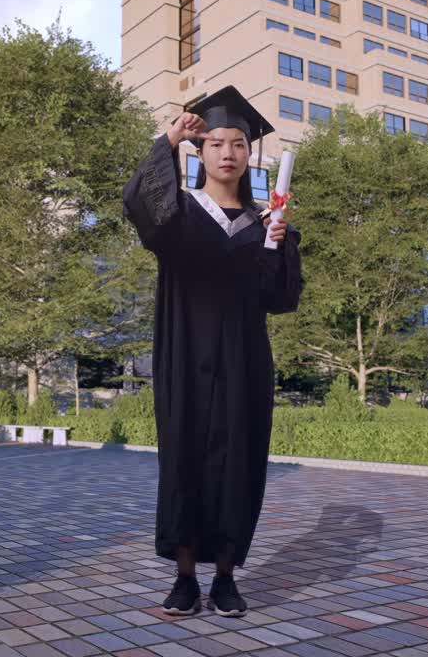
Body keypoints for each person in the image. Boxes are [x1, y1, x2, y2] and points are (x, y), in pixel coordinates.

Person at [122, 86, 304, 618]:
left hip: (245, 361)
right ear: (201, 153)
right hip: (185, 357)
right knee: (183, 461)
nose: (227, 152)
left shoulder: (263, 223)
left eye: (238, 144)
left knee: (238, 464)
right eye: (216, 142)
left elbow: (279, 300)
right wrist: (168, 140)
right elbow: (140, 205)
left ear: (251, 155)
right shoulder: (178, 213)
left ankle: (225, 577)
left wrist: (278, 246)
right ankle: (183, 579)